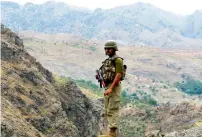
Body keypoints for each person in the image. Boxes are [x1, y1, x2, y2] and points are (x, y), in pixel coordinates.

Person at [99, 40, 124, 137]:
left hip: (114, 86)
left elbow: (118, 75)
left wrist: (111, 88)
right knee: (107, 109)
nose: (107, 50)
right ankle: (110, 131)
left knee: (113, 108)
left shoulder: (118, 60)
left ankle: (112, 133)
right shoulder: (108, 60)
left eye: (109, 48)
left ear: (114, 49)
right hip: (108, 86)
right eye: (106, 48)